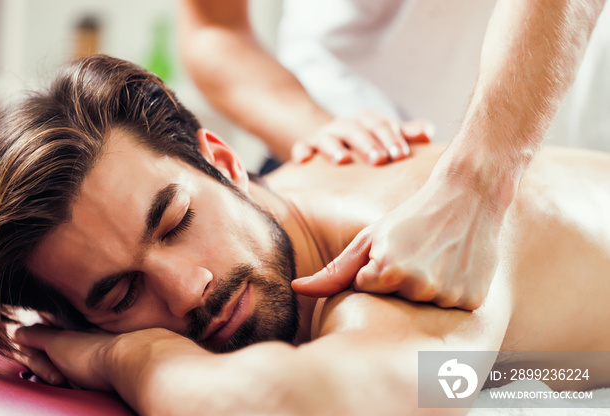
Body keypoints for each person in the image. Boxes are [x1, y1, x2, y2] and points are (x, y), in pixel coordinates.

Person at [0, 56, 610, 416]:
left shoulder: (402, 256)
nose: (186, 292)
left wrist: (115, 354)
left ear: (227, 162)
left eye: (176, 223)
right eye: (121, 296)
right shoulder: (276, 200)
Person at [179, 0, 607, 313]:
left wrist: (476, 185)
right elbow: (213, 26)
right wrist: (313, 127)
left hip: (532, 141)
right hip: (321, 143)